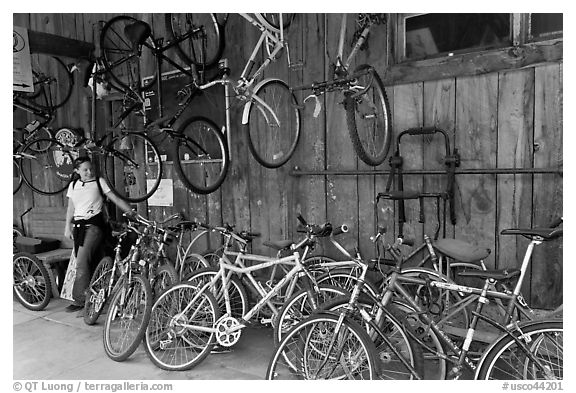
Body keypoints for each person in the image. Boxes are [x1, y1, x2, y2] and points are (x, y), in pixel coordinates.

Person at [63, 156, 136, 312]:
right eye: (85, 170)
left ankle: (80, 300)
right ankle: (94, 296)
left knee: (81, 261)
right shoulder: (73, 185)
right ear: (77, 171)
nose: (89, 172)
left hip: (94, 226)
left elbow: (115, 198)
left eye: (90, 169)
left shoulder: (99, 182)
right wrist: (67, 227)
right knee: (88, 260)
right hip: (78, 227)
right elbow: (71, 208)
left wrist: (131, 212)